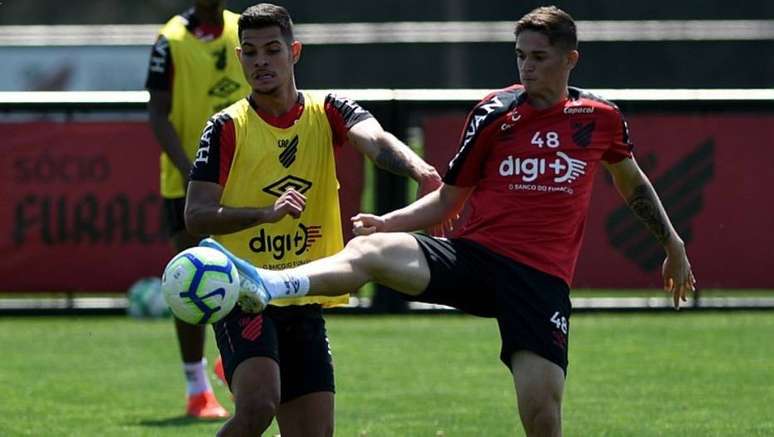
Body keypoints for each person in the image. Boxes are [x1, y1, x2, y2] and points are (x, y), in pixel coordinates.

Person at [201, 5, 697, 436]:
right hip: (475, 260)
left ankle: (271, 283)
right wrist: (390, 223)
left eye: (539, 57)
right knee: (370, 251)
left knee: (542, 413)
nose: (526, 67)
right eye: (520, 56)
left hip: (539, 282)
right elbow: (446, 202)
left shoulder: (601, 117)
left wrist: (672, 244)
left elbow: (632, 183)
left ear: (570, 60)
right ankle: (268, 283)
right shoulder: (494, 113)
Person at [184, 3, 441, 436]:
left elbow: (375, 139)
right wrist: (266, 213)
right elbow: (196, 216)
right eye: (250, 52)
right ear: (239, 58)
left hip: (306, 291)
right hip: (246, 292)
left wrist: (421, 171)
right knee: (258, 408)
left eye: (272, 49)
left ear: (295, 52)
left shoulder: (329, 110)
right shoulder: (226, 126)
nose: (261, 61)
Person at [146, 0, 250, 419]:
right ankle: (196, 388)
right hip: (186, 184)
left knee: (253, 275)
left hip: (246, 178)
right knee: (189, 282)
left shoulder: (245, 28)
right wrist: (193, 172)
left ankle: (237, 361)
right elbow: (157, 113)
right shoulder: (170, 40)